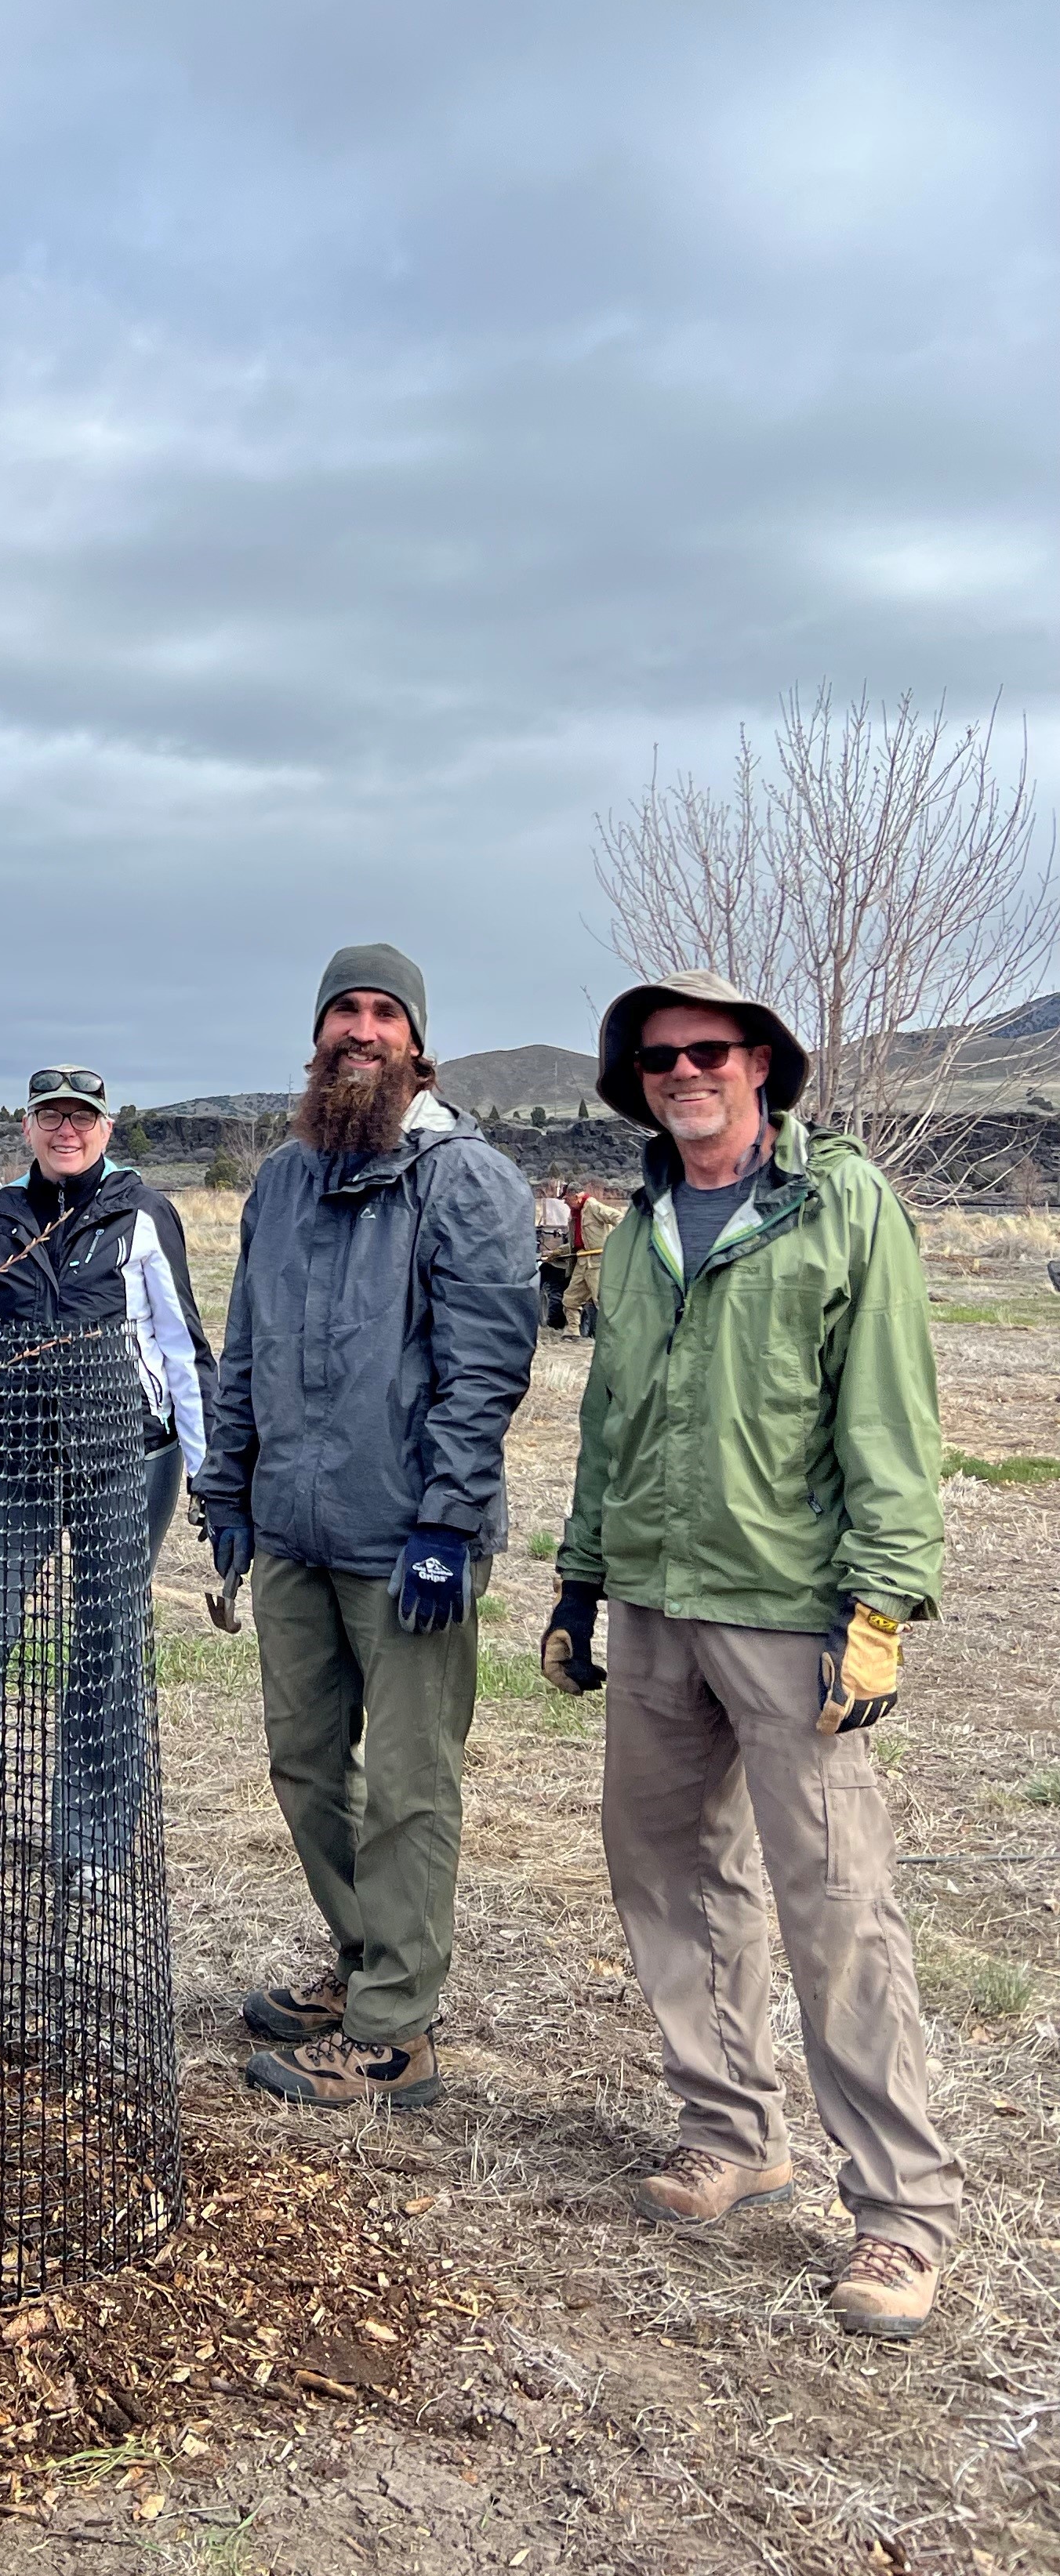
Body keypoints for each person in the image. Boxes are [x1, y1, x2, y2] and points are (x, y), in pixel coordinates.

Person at [543, 970, 958, 2340]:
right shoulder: (645, 1223)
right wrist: (579, 1578)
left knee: (832, 1898)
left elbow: (887, 1418)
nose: (681, 1071)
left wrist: (881, 1608)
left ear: (760, 1065)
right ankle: (730, 2126)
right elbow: (610, 1419)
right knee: (665, 1869)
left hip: (789, 1614)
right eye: (657, 1057)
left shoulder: (839, 1207)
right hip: (656, 1599)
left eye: (706, 1050)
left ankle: (896, 2213)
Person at [198, 946, 537, 2110]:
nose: (361, 1029)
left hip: (408, 1541)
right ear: (318, 1034)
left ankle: (398, 2031)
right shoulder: (285, 1179)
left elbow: (484, 1369)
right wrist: (227, 1487)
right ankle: (365, 1964)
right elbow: (244, 1346)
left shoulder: (465, 1181)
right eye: (343, 1010)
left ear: (417, 1041)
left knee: (406, 1784)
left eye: (383, 1013)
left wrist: (448, 1519)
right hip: (293, 1529)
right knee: (305, 1768)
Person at [0, 1063, 216, 1892]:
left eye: (82, 1117)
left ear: (106, 1129)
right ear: (28, 1128)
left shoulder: (144, 1215)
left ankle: (91, 1838)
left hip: (122, 1454)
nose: (67, 1130)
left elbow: (182, 1349)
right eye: (51, 1116)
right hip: (10, 1456)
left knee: (106, 1641)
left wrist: (210, 1472)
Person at [557, 1183, 617, 1336]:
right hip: (583, 1261)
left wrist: (620, 1240)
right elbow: (578, 1241)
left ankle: (614, 1335)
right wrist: (559, 1251)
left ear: (576, 1196)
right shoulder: (575, 1214)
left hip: (598, 1262)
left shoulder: (593, 1207)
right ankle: (572, 1331)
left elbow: (618, 1217)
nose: (565, 1202)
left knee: (602, 1300)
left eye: (566, 1198)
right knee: (571, 1298)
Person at [534, 1183, 573, 1328]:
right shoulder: (562, 1215)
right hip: (562, 1256)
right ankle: (555, 1323)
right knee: (554, 1289)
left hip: (576, 1255)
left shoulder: (583, 1212)